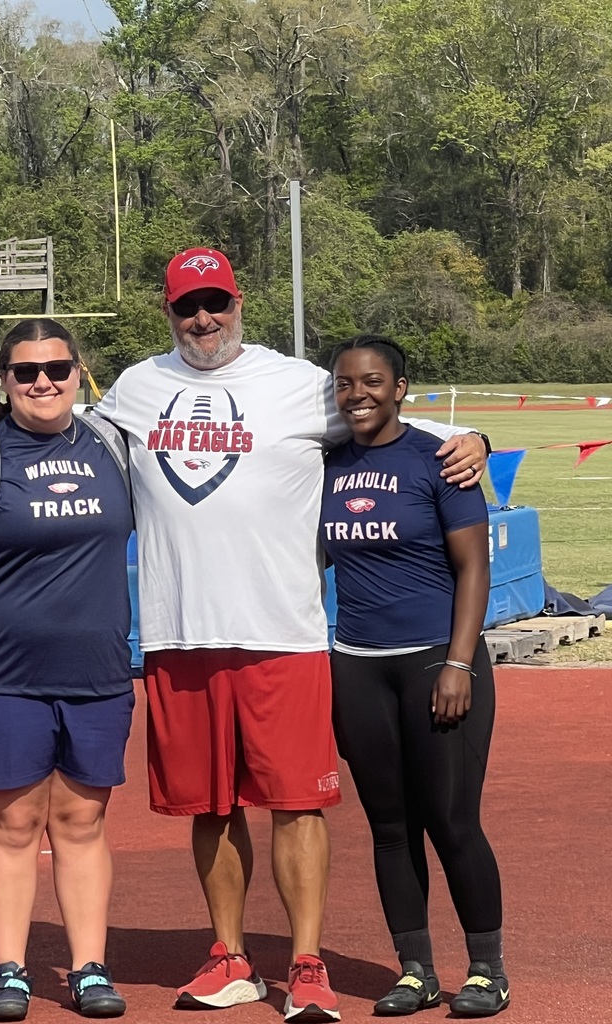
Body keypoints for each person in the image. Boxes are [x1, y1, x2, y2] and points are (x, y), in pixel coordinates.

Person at [96, 248, 490, 1022]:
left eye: (216, 302)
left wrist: (470, 433)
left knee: (295, 805)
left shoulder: (298, 383)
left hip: (284, 632)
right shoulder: (137, 389)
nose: (203, 319)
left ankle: (306, 965)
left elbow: (392, 420)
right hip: (179, 635)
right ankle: (231, 958)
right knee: (210, 809)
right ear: (167, 311)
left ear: (239, 302)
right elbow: (61, 431)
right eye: (187, 307)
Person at [0, 318, 134, 1022]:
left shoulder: (113, 445)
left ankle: (88, 967)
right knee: (13, 824)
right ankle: (9, 971)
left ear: (79, 373)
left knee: (81, 823)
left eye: (57, 369)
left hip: (96, 673)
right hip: (0, 677)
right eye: (25, 372)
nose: (43, 382)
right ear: (5, 381)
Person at [321, 335, 509, 1018]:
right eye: (345, 383)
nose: (358, 394)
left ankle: (487, 968)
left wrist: (459, 662)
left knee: (452, 820)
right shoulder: (326, 464)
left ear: (400, 387)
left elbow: (474, 569)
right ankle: (416, 970)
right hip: (359, 666)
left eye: (372, 382)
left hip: (439, 659)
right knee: (390, 827)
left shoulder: (440, 461)